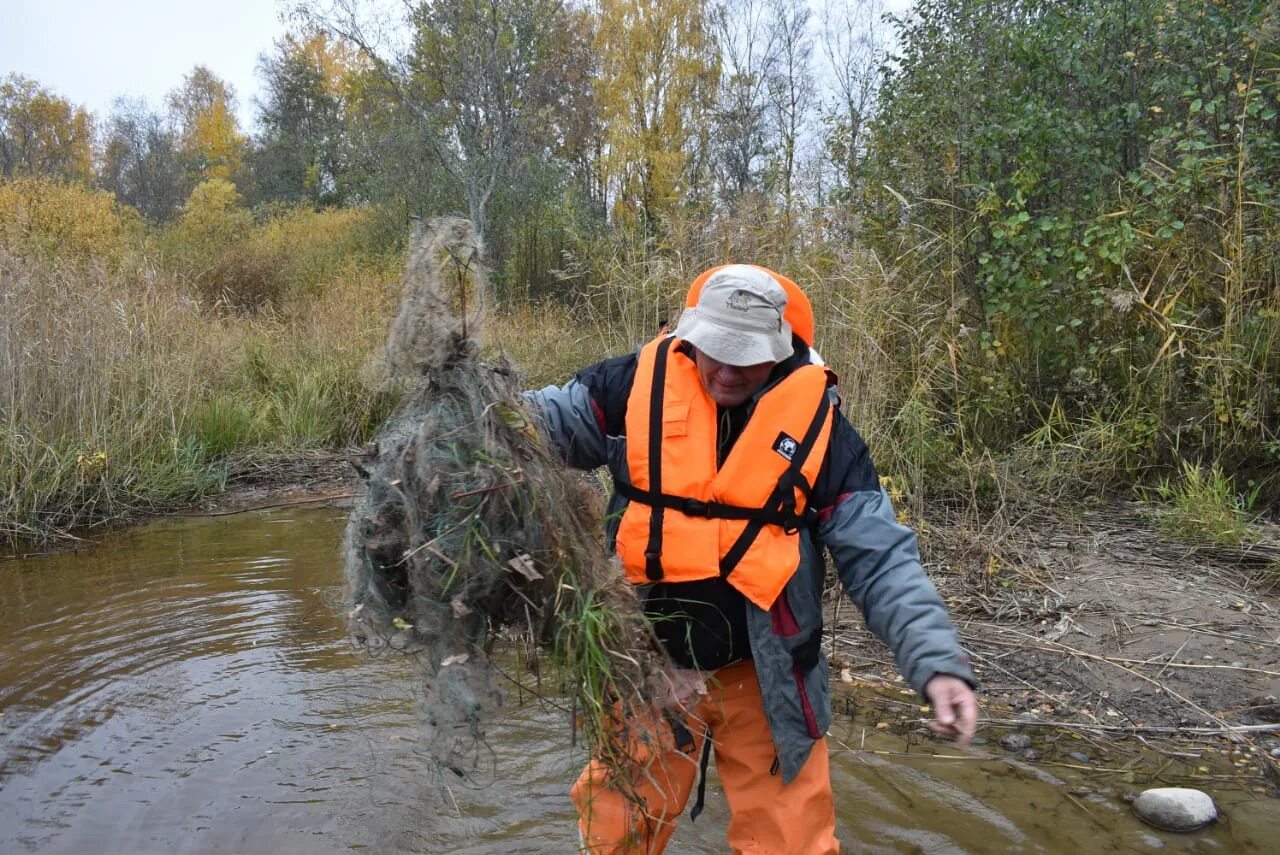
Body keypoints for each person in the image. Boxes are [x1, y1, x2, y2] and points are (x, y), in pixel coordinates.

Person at [525, 264, 978, 854]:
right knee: (615, 834)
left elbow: (882, 559)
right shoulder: (630, 386)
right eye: (714, 350)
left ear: (783, 348)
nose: (726, 370)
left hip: (767, 679)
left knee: (792, 842)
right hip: (645, 663)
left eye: (747, 356)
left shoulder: (825, 434)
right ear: (689, 335)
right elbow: (532, 423)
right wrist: (467, 418)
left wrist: (937, 663)